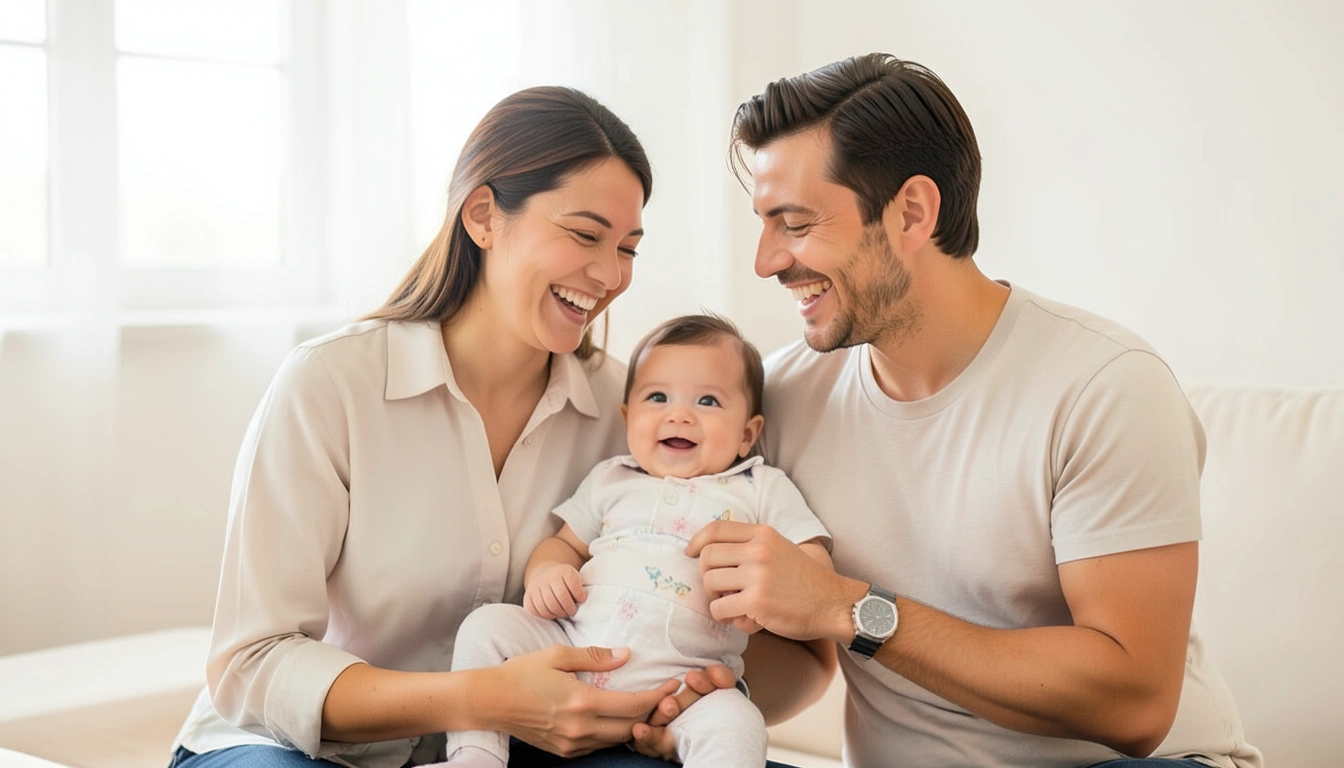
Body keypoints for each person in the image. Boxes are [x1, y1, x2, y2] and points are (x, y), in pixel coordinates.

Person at [683, 53, 1264, 768]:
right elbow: (805, 657)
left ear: (912, 213)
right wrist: (686, 698)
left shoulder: (1105, 387)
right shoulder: (782, 397)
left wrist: (844, 605)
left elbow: (1135, 705)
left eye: (795, 224)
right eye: (764, 226)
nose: (766, 261)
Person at [164, 86, 758, 768]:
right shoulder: (330, 383)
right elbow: (251, 663)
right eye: (585, 234)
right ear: (483, 216)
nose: (609, 274)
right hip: (295, 749)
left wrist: (686, 701)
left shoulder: (627, 414)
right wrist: (483, 699)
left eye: (628, 247)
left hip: (519, 747)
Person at [435, 313, 833, 768]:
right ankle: (476, 756)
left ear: (747, 434)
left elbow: (811, 562)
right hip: (575, 650)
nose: (678, 414)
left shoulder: (759, 487)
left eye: (707, 401)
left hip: (688, 685)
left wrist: (770, 598)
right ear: (628, 418)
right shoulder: (612, 478)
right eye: (657, 397)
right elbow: (565, 544)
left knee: (738, 723)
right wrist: (547, 572)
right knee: (487, 626)